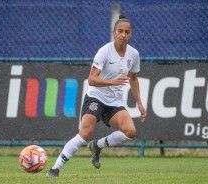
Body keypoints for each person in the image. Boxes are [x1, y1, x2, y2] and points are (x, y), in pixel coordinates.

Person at [47, 15, 147, 177]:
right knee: (85, 133)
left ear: (131, 34)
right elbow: (92, 80)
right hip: (96, 97)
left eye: (127, 32)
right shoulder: (104, 51)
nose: (123, 35)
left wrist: (140, 103)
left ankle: (97, 145)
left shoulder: (133, 54)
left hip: (114, 103)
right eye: (120, 31)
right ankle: (55, 168)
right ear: (114, 32)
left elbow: (133, 78)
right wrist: (113, 82)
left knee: (130, 131)